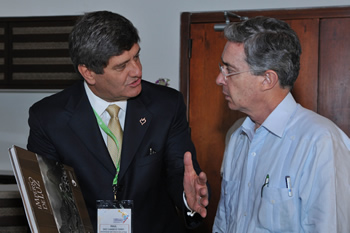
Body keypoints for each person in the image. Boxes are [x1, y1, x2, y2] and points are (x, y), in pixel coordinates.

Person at [27, 10, 209, 233]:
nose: (137, 71)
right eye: (121, 66)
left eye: (136, 56)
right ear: (89, 73)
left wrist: (187, 197)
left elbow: (179, 170)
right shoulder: (48, 118)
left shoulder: (166, 106)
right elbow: (51, 201)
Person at [212, 16, 350, 233]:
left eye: (230, 70)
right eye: (222, 67)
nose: (220, 79)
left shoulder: (320, 142)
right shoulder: (237, 135)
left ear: (267, 79)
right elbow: (224, 222)